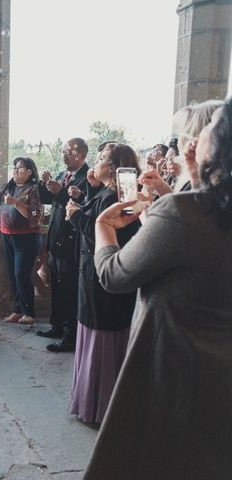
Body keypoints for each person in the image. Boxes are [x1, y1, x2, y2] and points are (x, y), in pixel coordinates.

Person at [83, 99, 232, 480]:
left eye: (211, 125)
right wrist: (198, 177)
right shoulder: (202, 208)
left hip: (175, 370)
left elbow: (114, 274)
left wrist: (103, 228)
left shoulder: (182, 213)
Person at [65, 143, 141, 424]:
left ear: (112, 167)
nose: (95, 163)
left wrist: (75, 217)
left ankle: (100, 406)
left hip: (103, 278)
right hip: (92, 274)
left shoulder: (116, 199)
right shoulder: (108, 193)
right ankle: (90, 401)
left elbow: (107, 234)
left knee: (102, 336)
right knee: (91, 329)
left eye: (99, 159)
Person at [37, 138, 89, 352]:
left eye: (69, 151)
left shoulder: (88, 178)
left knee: (69, 291)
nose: (64, 155)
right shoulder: (62, 175)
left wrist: (60, 191)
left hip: (72, 244)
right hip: (56, 240)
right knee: (57, 288)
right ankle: (56, 326)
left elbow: (85, 203)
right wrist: (44, 184)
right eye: (63, 151)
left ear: (82, 154)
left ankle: (70, 336)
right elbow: (49, 200)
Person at [0, 157, 43, 326]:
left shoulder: (33, 189)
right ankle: (18, 310)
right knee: (13, 275)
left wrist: (17, 203)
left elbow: (35, 216)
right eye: (15, 168)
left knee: (22, 274)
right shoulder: (9, 187)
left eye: (20, 169)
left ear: (30, 172)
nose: (16, 171)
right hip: (8, 236)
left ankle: (29, 313)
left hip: (27, 238)